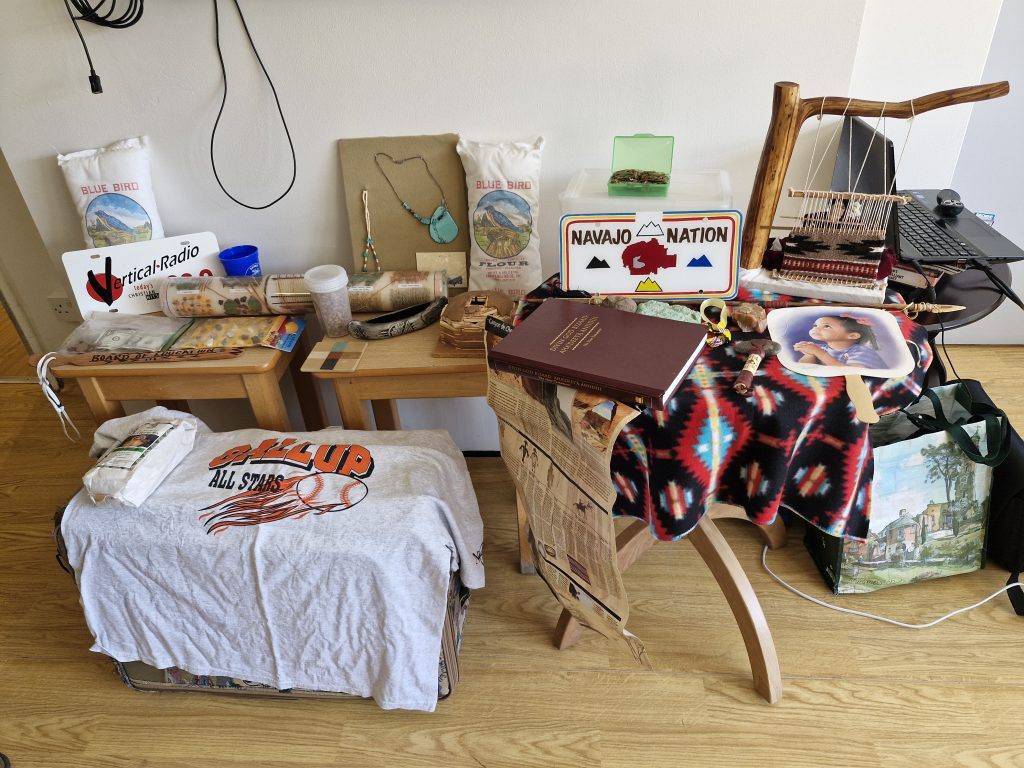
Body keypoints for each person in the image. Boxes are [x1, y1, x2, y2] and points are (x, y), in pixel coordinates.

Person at [793, 315, 888, 369]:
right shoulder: (820, 348)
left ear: (852, 336)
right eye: (815, 325)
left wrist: (817, 352)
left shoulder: (862, 352)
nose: (816, 328)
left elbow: (852, 372)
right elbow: (804, 367)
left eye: (826, 326)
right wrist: (809, 354)